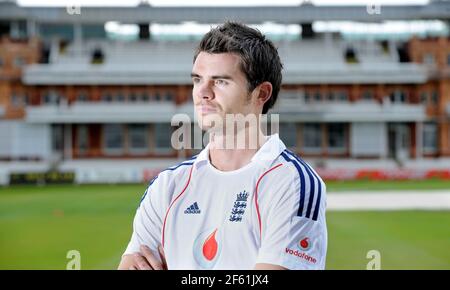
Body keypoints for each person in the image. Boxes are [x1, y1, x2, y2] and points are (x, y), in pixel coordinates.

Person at [118, 22, 327, 270]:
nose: (203, 93)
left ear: (261, 93)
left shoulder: (293, 183)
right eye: (198, 80)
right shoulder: (168, 186)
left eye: (221, 81)